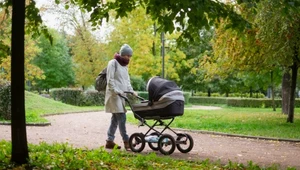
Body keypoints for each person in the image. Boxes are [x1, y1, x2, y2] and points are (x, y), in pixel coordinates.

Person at [104, 44, 137, 150]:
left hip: (122, 96)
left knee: (115, 119)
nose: (128, 58)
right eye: (127, 55)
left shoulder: (125, 66)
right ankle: (126, 141)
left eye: (130, 56)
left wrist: (131, 91)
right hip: (114, 95)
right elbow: (110, 80)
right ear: (122, 54)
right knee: (122, 117)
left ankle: (109, 141)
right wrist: (116, 91)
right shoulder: (113, 63)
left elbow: (127, 81)